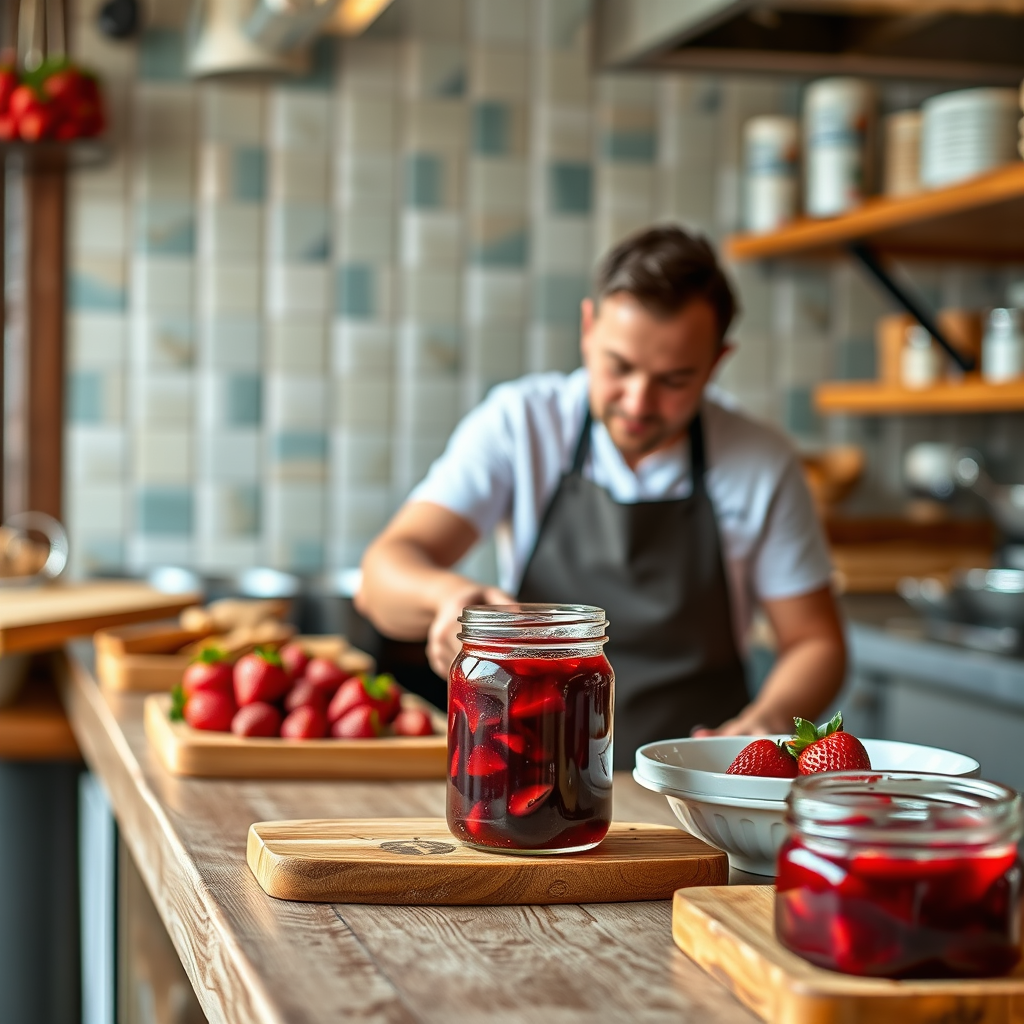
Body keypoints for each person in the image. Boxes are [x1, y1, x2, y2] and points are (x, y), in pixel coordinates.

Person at [357, 225, 846, 769]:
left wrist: (767, 721)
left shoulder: (762, 462)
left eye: (675, 379)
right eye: (619, 366)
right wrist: (449, 598)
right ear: (588, 330)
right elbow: (382, 574)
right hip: (529, 767)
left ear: (716, 361)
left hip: (692, 781)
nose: (638, 401)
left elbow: (815, 642)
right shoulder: (520, 424)